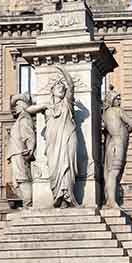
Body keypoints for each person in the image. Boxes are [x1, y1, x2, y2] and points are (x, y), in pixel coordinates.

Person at [27, 66, 78, 208]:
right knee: (54, 166)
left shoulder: (67, 102)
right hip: (53, 141)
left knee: (68, 165)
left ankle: (68, 195)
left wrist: (63, 70)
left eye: (62, 87)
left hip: (68, 137)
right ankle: (57, 194)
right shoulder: (47, 107)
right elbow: (28, 110)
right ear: (52, 91)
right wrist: (43, 105)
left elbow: (71, 85)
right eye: (58, 86)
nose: (61, 88)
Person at [103, 86, 132, 208]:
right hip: (118, 144)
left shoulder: (105, 114)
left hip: (111, 145)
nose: (119, 101)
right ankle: (112, 201)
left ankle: (110, 199)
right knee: (115, 173)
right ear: (112, 99)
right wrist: (126, 130)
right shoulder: (118, 111)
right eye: (117, 98)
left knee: (111, 172)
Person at [7, 94, 36, 207]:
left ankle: (28, 204)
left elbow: (29, 135)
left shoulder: (24, 118)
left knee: (22, 179)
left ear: (23, 106)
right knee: (18, 182)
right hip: (15, 153)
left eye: (18, 105)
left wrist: (30, 148)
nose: (16, 107)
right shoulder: (20, 119)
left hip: (20, 153)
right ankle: (27, 203)